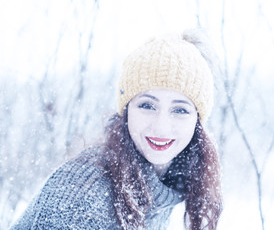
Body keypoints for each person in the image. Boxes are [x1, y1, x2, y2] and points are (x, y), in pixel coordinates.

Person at [10, 30, 223, 230]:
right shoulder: (84, 186)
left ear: (197, 121)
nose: (162, 126)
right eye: (147, 106)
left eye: (180, 110)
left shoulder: (168, 182)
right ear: (126, 111)